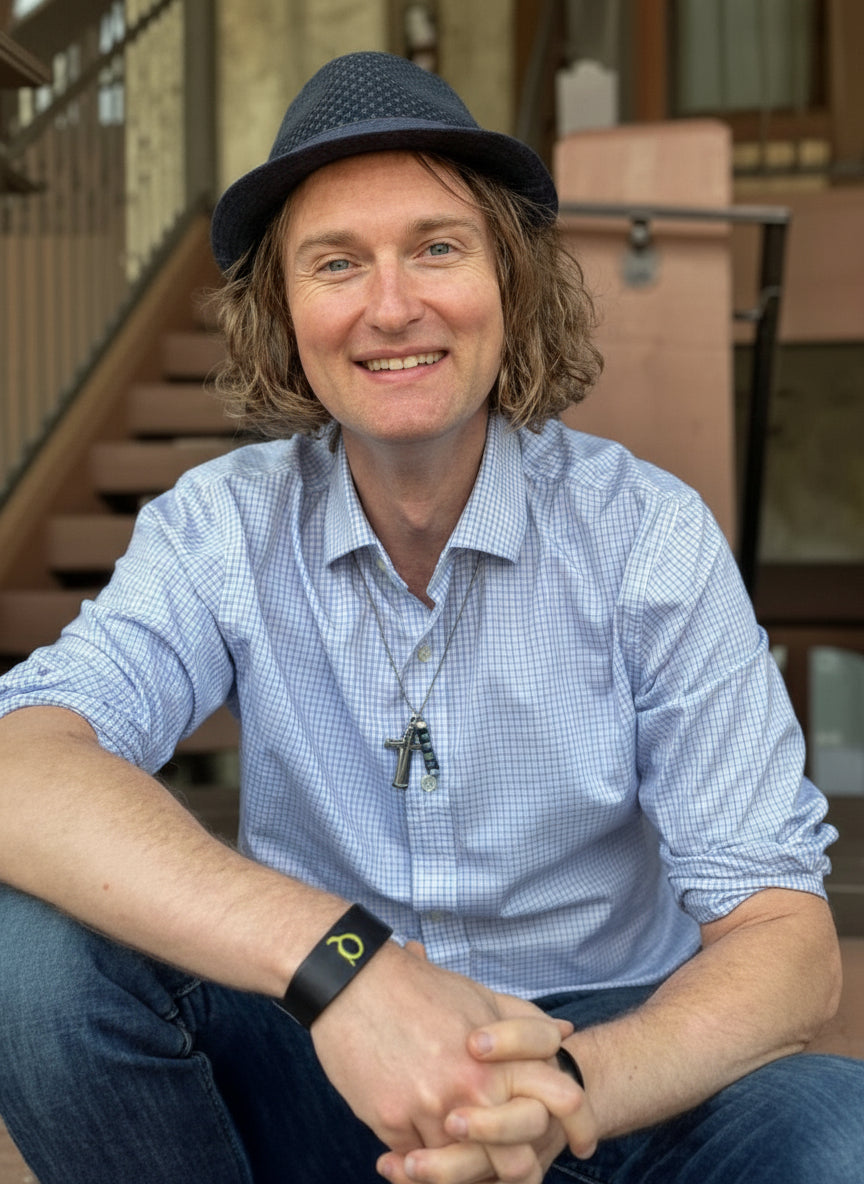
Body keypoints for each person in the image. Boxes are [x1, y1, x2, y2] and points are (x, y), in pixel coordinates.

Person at [0, 49, 861, 1184]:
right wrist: (344, 964)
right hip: (330, 1059)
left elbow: (788, 943)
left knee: (837, 1132)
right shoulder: (221, 528)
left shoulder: (646, 535)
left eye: (437, 247)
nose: (391, 304)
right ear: (282, 310)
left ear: (511, 277)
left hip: (604, 1066)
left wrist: (564, 1090)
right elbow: (23, 761)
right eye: (337, 261)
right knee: (30, 951)